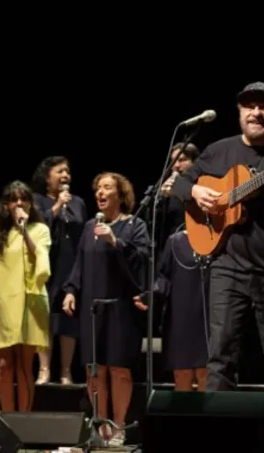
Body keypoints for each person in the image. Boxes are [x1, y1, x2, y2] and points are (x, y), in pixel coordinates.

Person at [169, 81, 264, 452]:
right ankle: (216, 434)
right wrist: (196, 191)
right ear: (240, 112)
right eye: (249, 106)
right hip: (227, 264)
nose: (256, 112)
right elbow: (179, 184)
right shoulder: (217, 151)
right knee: (221, 357)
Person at [61, 172, 150, 448]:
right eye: (98, 188)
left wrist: (116, 242)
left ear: (120, 195)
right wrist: (70, 290)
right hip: (92, 306)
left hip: (122, 307)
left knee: (119, 369)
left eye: (107, 188)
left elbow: (143, 260)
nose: (100, 193)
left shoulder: (135, 225)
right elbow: (79, 263)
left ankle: (120, 426)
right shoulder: (89, 227)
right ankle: (100, 425)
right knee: (94, 368)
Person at [0, 181, 53, 412]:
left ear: (30, 203)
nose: (19, 203)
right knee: (3, 365)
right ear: (6, 205)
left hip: (28, 302)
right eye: (14, 199)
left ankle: (25, 421)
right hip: (2, 302)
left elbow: (39, 258)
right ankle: (8, 420)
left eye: (24, 199)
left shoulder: (39, 230)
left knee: (24, 365)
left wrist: (23, 229)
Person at [32, 156, 86, 385]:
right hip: (46, 266)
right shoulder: (36, 201)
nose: (66, 176)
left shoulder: (78, 203)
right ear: (47, 177)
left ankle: (65, 370)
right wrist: (56, 206)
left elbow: (83, 232)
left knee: (68, 319)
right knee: (44, 318)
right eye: (60, 171)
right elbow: (35, 230)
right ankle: (44, 369)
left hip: (70, 265)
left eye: (68, 171)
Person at [153, 229, 210, 392]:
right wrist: (152, 295)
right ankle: (183, 418)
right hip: (181, 313)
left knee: (206, 373)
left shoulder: (222, 237)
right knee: (182, 373)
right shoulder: (175, 241)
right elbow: (164, 277)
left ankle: (209, 418)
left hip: (210, 315)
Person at [157, 142, 200, 241]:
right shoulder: (167, 189)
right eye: (173, 161)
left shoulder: (203, 185)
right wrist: (161, 198)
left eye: (181, 160)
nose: (175, 166)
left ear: (195, 162)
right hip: (171, 245)